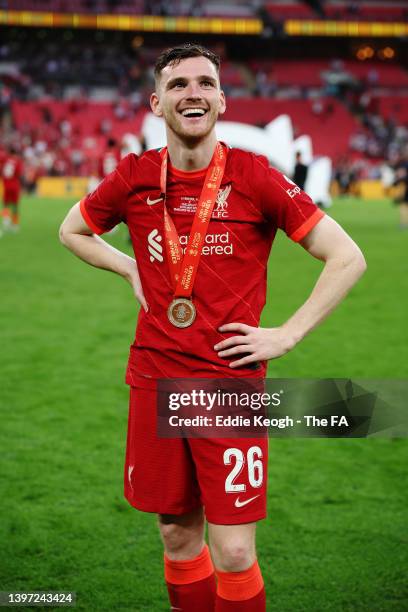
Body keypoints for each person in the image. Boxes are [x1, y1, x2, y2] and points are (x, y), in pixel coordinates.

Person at [59, 44, 366, 612]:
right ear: (157, 102)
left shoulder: (254, 176)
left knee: (231, 551)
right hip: (154, 380)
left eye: (205, 83)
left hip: (228, 387)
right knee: (177, 538)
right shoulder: (134, 177)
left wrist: (287, 333)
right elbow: (71, 230)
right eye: (178, 85)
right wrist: (128, 266)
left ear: (221, 99)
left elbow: (347, 257)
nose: (192, 93)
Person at [1, 145, 23, 233]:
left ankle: (6, 221)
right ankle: (15, 224)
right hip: (14, 185)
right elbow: (19, 173)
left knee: (5, 204)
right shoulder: (17, 161)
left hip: (6, 185)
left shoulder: (4, 160)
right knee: (15, 205)